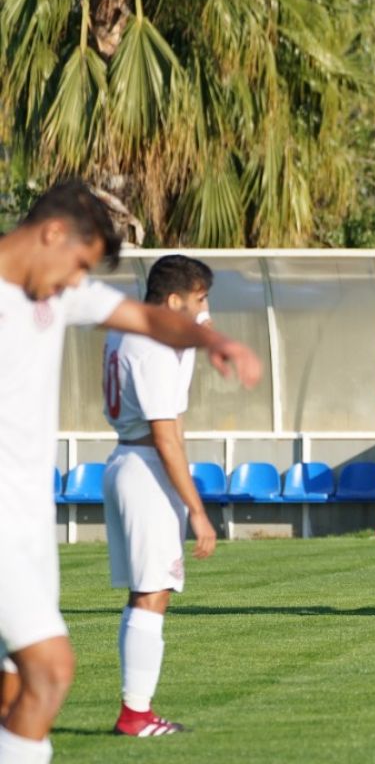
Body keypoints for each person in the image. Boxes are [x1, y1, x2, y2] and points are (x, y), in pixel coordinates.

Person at [0, 180, 260, 763]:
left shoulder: (57, 290)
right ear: (53, 233)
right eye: (79, 266)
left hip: (28, 519)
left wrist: (213, 340)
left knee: (17, 686)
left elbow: (145, 318)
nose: (75, 283)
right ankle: (134, 713)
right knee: (51, 672)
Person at [100, 255, 217, 736]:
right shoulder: (150, 345)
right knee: (152, 595)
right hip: (146, 468)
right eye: (200, 300)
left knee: (146, 594)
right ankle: (136, 715)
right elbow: (166, 435)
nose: (205, 310)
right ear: (174, 301)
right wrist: (197, 510)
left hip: (127, 459)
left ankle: (137, 710)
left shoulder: (130, 330)